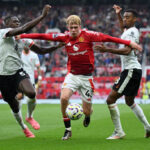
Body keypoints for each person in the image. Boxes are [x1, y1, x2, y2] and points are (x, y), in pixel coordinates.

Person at [17, 14, 142, 140]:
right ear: (67, 27)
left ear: (80, 27)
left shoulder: (88, 35)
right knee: (64, 98)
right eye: (71, 27)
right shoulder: (64, 37)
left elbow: (108, 38)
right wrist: (22, 35)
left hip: (86, 78)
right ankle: (68, 129)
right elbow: (42, 36)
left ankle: (88, 115)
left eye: (75, 27)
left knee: (87, 111)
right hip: (72, 75)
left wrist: (129, 42)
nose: (73, 30)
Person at [0, 4, 64, 138]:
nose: (18, 23)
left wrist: (56, 47)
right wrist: (42, 16)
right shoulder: (3, 33)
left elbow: (40, 50)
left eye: (18, 21)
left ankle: (29, 115)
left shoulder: (22, 38)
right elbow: (24, 28)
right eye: (14, 21)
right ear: (6, 24)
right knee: (15, 107)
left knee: (31, 92)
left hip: (17, 72)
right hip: (2, 76)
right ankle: (24, 127)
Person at [94, 5, 150, 139]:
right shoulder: (128, 31)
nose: (125, 19)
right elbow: (122, 29)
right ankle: (148, 127)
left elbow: (127, 50)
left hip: (130, 70)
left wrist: (107, 49)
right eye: (124, 17)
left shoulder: (132, 32)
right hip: (134, 70)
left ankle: (118, 132)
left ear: (135, 19)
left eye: (127, 17)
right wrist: (118, 14)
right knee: (129, 102)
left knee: (110, 99)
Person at [20, 44, 42, 130]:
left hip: (30, 81)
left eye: (28, 44)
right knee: (17, 101)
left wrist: (40, 79)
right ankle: (22, 123)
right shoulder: (18, 54)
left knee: (33, 99)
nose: (26, 46)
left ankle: (29, 117)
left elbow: (38, 68)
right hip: (19, 79)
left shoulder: (34, 55)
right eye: (24, 44)